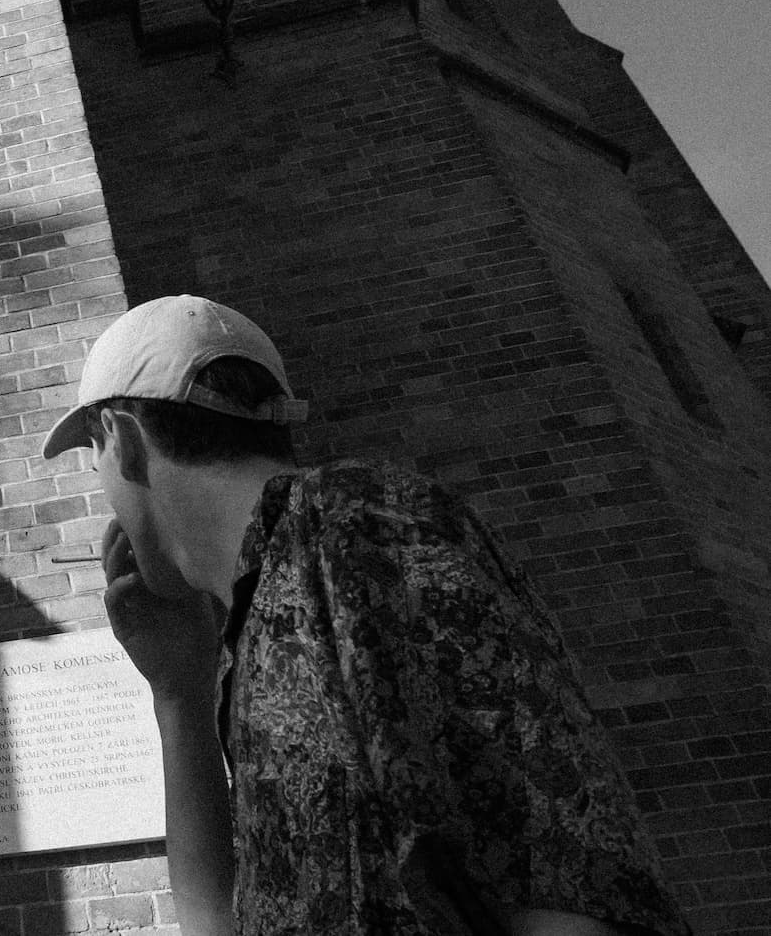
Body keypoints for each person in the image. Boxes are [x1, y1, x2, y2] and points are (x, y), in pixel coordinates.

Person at [42, 295, 689, 936]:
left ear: (122, 440)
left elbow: (565, 881)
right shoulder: (259, 619)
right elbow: (216, 925)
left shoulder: (354, 525)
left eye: (93, 455)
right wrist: (178, 694)